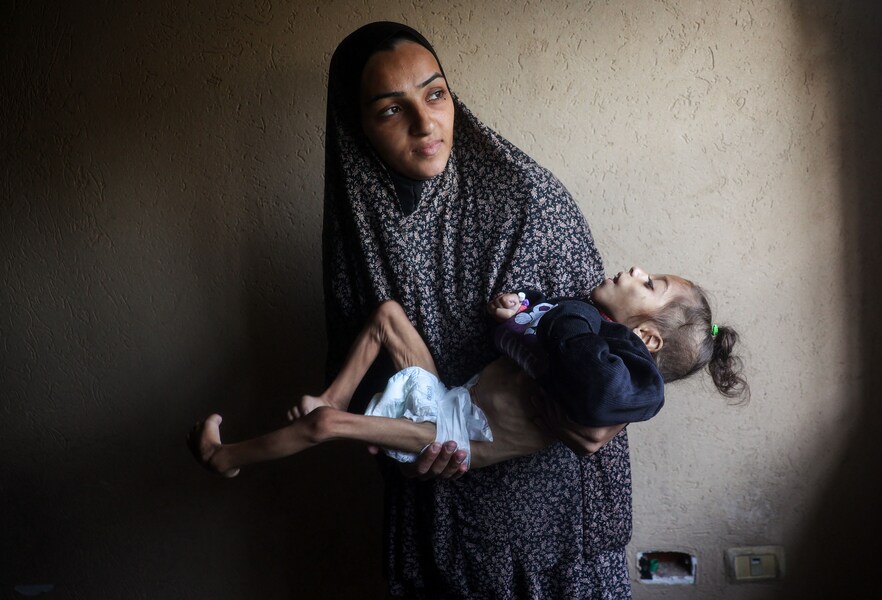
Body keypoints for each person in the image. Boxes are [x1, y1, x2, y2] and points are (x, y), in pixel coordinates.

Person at [323, 21, 626, 598]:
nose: (425, 123)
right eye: (391, 109)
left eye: (436, 94)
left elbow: (613, 336)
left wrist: (609, 415)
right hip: (435, 518)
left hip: (547, 520)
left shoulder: (528, 201)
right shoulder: (357, 235)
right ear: (356, 127)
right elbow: (353, 368)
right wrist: (399, 446)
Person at [189, 266, 746, 477]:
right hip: (450, 398)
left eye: (650, 285)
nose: (637, 270)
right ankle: (331, 394)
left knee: (327, 427)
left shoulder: (596, 380)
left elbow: (602, 398)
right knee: (387, 316)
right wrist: (516, 310)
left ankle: (225, 457)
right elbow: (538, 331)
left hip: (453, 435)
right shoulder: (580, 336)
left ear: (646, 338)